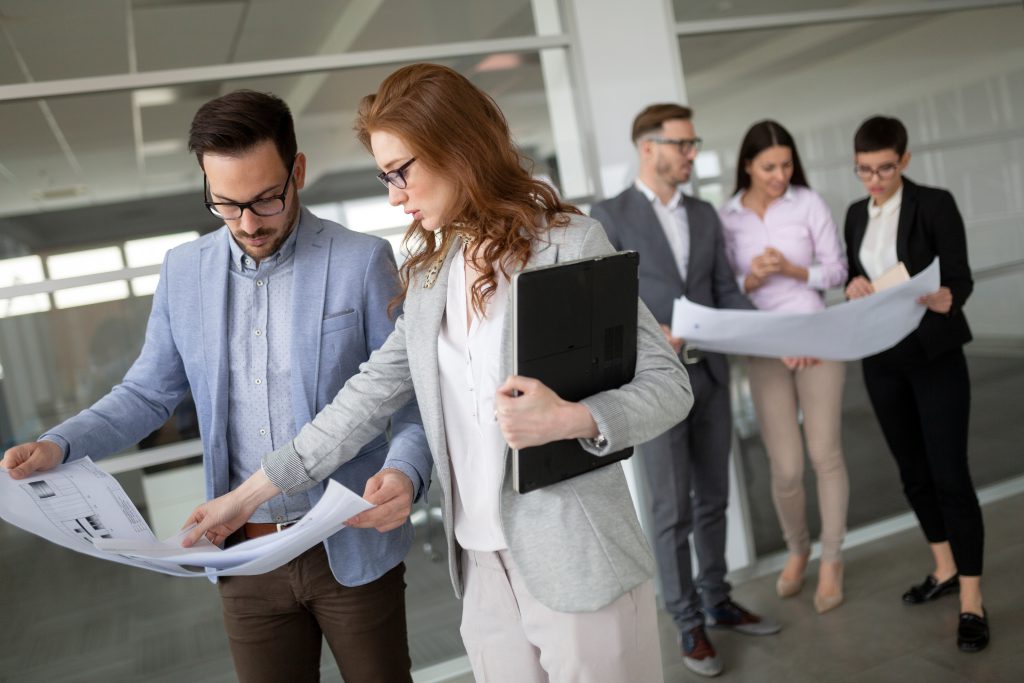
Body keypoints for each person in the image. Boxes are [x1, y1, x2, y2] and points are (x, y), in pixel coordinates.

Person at [181, 63, 693, 683]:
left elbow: (669, 385)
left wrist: (573, 418)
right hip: (480, 568)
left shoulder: (569, 244)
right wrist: (243, 500)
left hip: (577, 556)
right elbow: (359, 403)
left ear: (458, 148)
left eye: (401, 172)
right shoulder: (429, 278)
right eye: (385, 176)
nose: (395, 196)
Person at [1, 90, 431, 683]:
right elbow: (146, 394)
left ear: (297, 172)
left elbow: (407, 392)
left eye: (266, 199)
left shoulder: (360, 260)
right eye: (226, 205)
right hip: (243, 555)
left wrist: (407, 471)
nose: (248, 224)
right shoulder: (184, 271)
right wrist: (60, 444)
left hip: (349, 544)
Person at [591, 103, 777, 678]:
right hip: (654, 385)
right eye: (683, 144)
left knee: (715, 498)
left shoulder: (703, 213)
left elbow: (723, 289)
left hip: (711, 375)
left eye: (694, 144)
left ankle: (718, 599)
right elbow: (606, 303)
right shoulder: (610, 215)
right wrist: (652, 335)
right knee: (671, 509)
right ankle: (687, 619)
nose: (692, 154)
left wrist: (776, 329)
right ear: (648, 147)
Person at [844, 115, 987, 652]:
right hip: (882, 359)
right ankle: (944, 568)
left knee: (951, 475)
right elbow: (853, 274)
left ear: (903, 160)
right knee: (913, 474)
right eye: (864, 170)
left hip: (934, 356)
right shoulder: (854, 214)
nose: (875, 180)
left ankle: (972, 599)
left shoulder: (935, 204)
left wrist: (950, 297)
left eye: (885, 169)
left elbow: (960, 278)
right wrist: (853, 284)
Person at [719, 120, 849, 615]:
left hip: (816, 338)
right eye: (769, 166)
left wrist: (793, 270)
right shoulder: (727, 217)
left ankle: (832, 559)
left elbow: (837, 271)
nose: (780, 175)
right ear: (747, 166)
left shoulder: (809, 203)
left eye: (787, 164)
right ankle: (799, 550)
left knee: (824, 454)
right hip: (765, 344)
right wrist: (752, 277)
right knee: (787, 467)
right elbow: (724, 286)